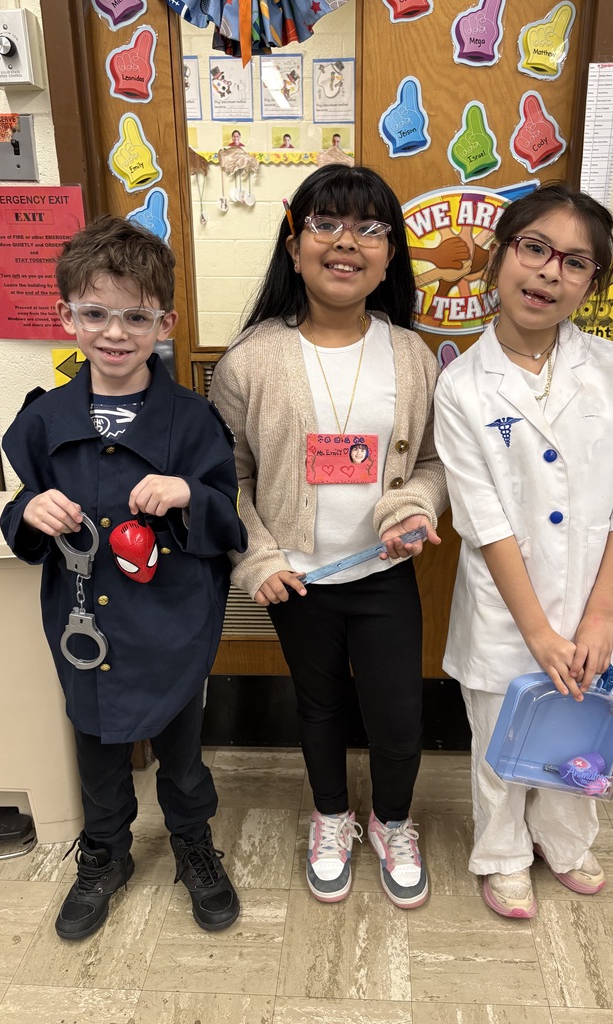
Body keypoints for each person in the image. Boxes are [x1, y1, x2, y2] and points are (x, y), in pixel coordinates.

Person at [0, 217, 247, 940]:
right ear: (67, 317)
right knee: (96, 744)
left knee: (182, 747)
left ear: (164, 323)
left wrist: (188, 498)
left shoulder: (194, 422)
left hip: (170, 622)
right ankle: (105, 853)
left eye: (136, 316)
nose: (115, 332)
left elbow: (228, 525)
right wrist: (29, 509)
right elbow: (25, 525)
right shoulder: (44, 421)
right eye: (96, 313)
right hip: (85, 626)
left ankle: (193, 844)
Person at [210, 165, 447, 909]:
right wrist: (259, 558)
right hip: (297, 580)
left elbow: (437, 463)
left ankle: (393, 822)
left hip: (382, 572)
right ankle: (331, 817)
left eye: (370, 229)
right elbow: (227, 479)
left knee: (397, 712)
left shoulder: (412, 355)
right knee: (317, 707)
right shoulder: (250, 359)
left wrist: (413, 505)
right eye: (327, 225)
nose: (347, 243)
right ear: (294, 243)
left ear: (389, 254)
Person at [433, 182, 613, 919]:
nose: (548, 273)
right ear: (500, 256)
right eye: (534, 249)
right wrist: (535, 629)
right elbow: (484, 519)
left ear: (591, 282)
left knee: (581, 732)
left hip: (596, 597)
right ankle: (501, 852)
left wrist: (598, 619)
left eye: (575, 262)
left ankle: (564, 841)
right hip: (507, 610)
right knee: (503, 733)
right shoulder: (463, 385)